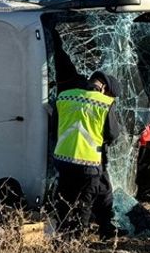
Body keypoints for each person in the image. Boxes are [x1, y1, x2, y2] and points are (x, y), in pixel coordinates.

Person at [51, 70, 122, 242]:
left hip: (63, 160)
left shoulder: (64, 97)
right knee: (84, 204)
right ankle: (76, 243)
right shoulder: (105, 103)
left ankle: (61, 239)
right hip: (88, 162)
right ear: (104, 88)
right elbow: (113, 134)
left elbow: (54, 126)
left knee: (64, 201)